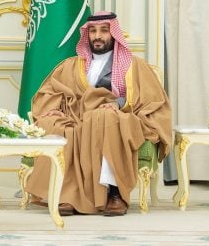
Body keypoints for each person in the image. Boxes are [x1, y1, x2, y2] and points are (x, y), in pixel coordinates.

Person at [25, 11, 172, 216]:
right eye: (93, 31)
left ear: (113, 33)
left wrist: (117, 104)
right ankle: (67, 195)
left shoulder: (133, 65)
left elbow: (150, 98)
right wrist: (55, 110)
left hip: (119, 117)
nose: (97, 36)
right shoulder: (72, 65)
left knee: (104, 118)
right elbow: (50, 91)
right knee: (53, 124)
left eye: (104, 31)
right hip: (78, 116)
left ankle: (115, 193)